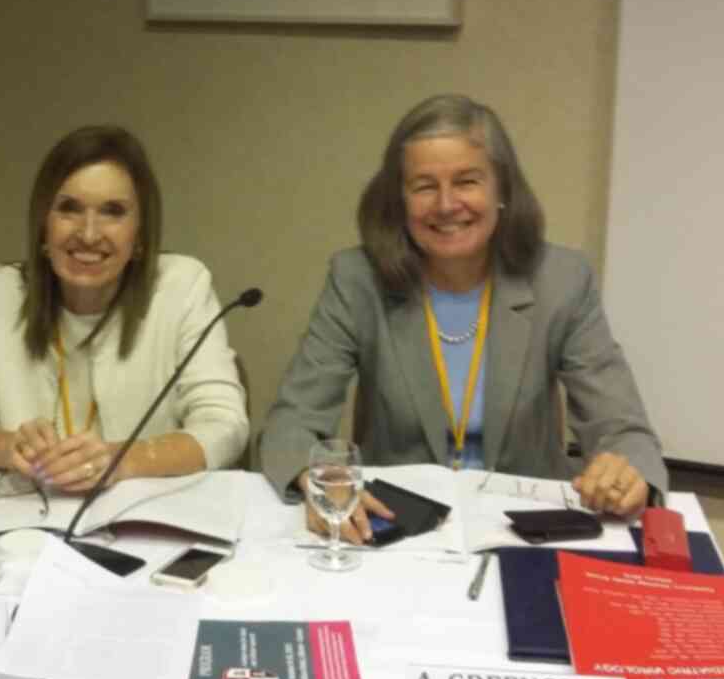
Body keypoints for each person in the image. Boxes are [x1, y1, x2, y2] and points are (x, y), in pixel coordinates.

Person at [259, 94, 665, 542]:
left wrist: (630, 473)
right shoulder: (357, 280)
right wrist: (319, 480)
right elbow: (293, 420)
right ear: (399, 200)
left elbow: (621, 426)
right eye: (424, 186)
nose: (447, 204)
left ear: (502, 190)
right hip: (398, 527)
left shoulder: (562, 280)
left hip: (526, 530)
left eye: (467, 181)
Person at [0, 126, 249, 493]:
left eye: (113, 212)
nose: (89, 234)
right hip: (27, 513)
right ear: (43, 227)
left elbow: (224, 424)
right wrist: (4, 446)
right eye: (69, 209)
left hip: (142, 514)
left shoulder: (182, 286)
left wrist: (124, 460)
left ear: (140, 235)